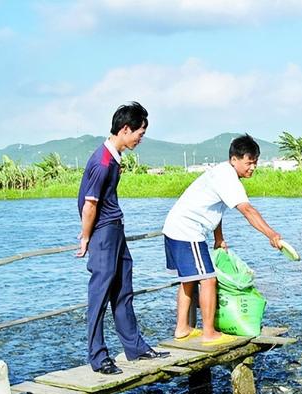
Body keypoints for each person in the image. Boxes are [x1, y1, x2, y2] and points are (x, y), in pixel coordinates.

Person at [77, 101, 169, 375]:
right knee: (100, 294)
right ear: (125, 129)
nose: (141, 139)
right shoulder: (102, 162)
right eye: (139, 133)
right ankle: (98, 356)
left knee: (123, 289)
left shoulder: (114, 157)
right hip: (103, 232)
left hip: (115, 228)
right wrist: (85, 238)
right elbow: (89, 204)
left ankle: (135, 347)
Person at [162, 134, 282, 343]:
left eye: (255, 163)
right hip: (187, 231)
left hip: (176, 228)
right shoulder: (227, 178)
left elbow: (215, 209)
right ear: (234, 159)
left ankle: (182, 328)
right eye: (249, 162)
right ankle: (209, 333)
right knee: (208, 279)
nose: (252, 167)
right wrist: (271, 234)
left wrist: (219, 238)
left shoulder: (222, 173)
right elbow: (247, 210)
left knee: (188, 281)